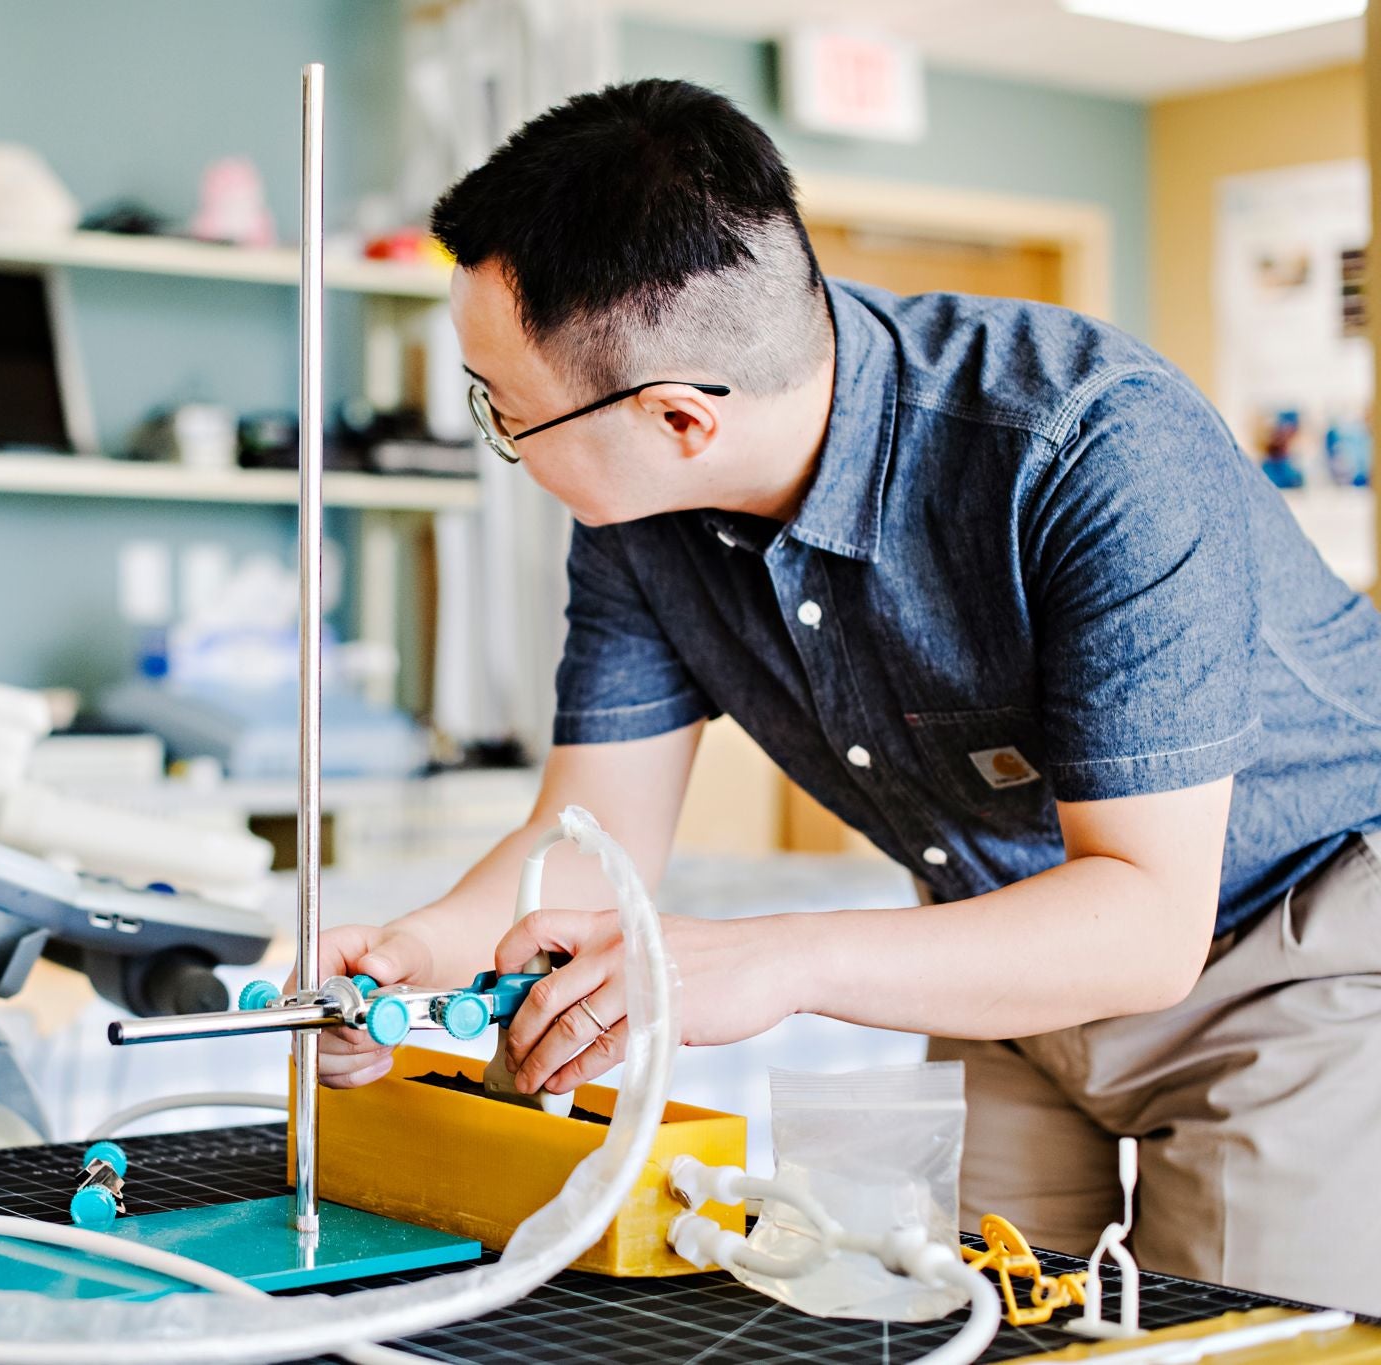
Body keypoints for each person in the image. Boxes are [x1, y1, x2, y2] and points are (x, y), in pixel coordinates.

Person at [316, 78, 1381, 1314]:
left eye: (501, 406)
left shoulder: (1090, 446)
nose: (496, 429)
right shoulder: (635, 512)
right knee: (952, 1322)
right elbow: (589, 835)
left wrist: (778, 963)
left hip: (1297, 963)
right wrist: (410, 956)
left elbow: (1145, 925)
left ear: (674, 417)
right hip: (1002, 951)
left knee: (1228, 1339)